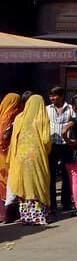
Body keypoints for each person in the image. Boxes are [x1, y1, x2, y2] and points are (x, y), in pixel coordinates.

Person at [10, 95, 52, 225]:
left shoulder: (19, 118)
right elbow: (46, 140)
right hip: (36, 157)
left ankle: (26, 217)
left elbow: (14, 139)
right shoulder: (42, 118)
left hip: (20, 158)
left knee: (24, 185)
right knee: (37, 184)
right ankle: (38, 217)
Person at [45, 86, 74, 213]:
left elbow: (76, 122)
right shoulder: (47, 109)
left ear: (61, 96)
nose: (52, 98)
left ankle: (66, 202)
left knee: (66, 174)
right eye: (50, 95)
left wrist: (69, 126)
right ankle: (52, 204)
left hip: (66, 145)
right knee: (51, 175)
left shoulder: (71, 109)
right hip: (52, 145)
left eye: (54, 95)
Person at [0, 93, 23, 223]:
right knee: (10, 181)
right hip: (8, 154)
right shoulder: (13, 115)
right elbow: (6, 136)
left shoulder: (1, 114)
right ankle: (8, 213)